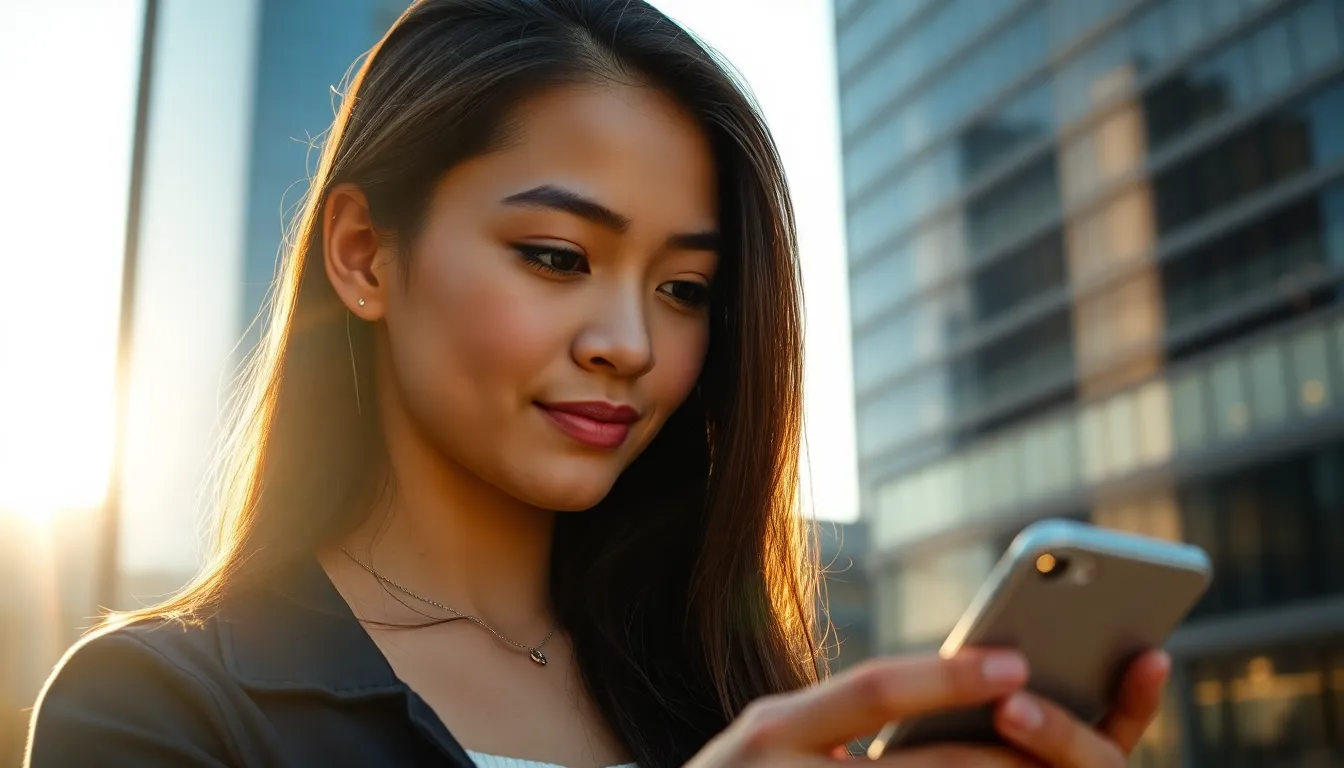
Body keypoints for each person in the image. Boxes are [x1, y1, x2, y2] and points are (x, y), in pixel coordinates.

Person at [25, 1, 1171, 766]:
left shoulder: (733, 693)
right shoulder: (153, 708)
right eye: (558, 258)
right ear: (365, 257)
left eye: (684, 289)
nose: (629, 342)